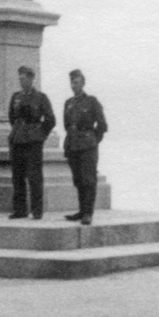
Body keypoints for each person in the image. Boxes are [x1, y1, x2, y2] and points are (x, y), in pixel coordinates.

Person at [7, 66, 56, 220]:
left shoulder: (41, 98)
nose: (21, 81)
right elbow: (12, 117)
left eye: (24, 79)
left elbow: (50, 120)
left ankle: (37, 210)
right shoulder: (16, 97)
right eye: (20, 79)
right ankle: (20, 210)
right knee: (17, 175)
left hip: (33, 141)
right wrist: (18, 131)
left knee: (34, 176)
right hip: (17, 139)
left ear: (31, 79)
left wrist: (40, 134)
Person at [62, 69, 107, 226]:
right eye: (72, 82)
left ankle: (88, 213)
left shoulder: (92, 102)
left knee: (89, 179)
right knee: (78, 179)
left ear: (83, 83)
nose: (73, 85)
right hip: (73, 145)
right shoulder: (68, 103)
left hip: (88, 146)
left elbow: (102, 125)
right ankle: (81, 211)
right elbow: (67, 125)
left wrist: (92, 140)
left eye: (76, 82)